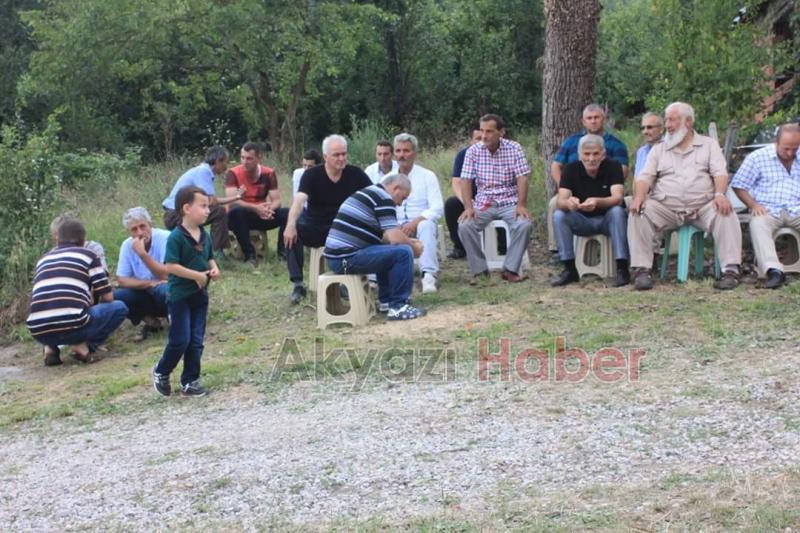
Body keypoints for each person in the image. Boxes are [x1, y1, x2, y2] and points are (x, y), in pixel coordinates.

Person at [628, 101, 742, 290]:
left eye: (672, 120)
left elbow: (720, 173)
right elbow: (644, 177)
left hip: (702, 207)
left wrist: (720, 194)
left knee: (726, 212)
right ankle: (642, 270)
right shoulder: (659, 149)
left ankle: (730, 271)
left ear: (688, 122)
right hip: (667, 208)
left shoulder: (708, 145)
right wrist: (639, 196)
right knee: (638, 211)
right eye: (666, 121)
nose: (668, 126)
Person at [283, 134, 372, 304]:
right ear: (325, 157)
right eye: (336, 155)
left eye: (344, 154)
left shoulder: (356, 174)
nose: (341, 158)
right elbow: (300, 200)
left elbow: (373, 196)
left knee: (363, 235)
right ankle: (298, 284)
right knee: (292, 233)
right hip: (317, 228)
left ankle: (346, 281)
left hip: (344, 231)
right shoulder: (311, 175)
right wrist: (290, 224)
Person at [27, 217, 128, 366]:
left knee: (54, 314)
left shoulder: (43, 260)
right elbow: (107, 297)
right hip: (74, 326)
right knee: (119, 308)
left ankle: (50, 349)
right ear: (83, 240)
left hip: (37, 331)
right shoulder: (88, 255)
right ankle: (83, 346)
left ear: (57, 240)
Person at [324, 173, 426, 320]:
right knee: (403, 253)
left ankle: (386, 300)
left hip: (338, 259)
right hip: (346, 259)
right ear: (396, 188)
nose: (400, 204)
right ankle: (398, 306)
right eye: (402, 198)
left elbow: (387, 238)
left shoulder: (371, 193)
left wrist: (408, 241)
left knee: (390, 251)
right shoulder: (384, 197)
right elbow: (395, 238)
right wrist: (413, 247)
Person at [152, 186, 220, 397]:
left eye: (208, 206)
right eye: (203, 206)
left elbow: (208, 257)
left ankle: (190, 381)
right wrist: (196, 276)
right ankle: (161, 371)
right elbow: (170, 266)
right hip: (180, 298)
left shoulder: (204, 235)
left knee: (196, 340)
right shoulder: (176, 237)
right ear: (187, 208)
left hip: (200, 296)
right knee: (180, 339)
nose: (208, 210)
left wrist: (214, 268)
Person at [458, 113, 532, 284]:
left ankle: (510, 269)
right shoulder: (473, 151)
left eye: (489, 131)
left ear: (501, 132)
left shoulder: (514, 148)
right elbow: (465, 179)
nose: (484, 136)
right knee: (465, 225)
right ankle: (480, 271)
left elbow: (522, 177)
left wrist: (521, 204)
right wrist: (469, 207)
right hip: (484, 202)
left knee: (524, 224)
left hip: (509, 200)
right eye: (482, 131)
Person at [548, 104, 629, 260]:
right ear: (583, 121)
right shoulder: (571, 141)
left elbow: (623, 171)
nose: (593, 121)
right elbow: (556, 166)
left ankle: (622, 262)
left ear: (603, 119)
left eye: (596, 118)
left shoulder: (615, 144)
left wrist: (607, 187)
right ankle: (557, 250)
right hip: (575, 192)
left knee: (619, 210)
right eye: (589, 118)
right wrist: (566, 189)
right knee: (556, 204)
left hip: (606, 192)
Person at [551, 134, 629, 287]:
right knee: (559, 215)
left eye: (596, 153)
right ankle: (569, 268)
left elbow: (618, 198)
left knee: (618, 211)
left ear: (603, 154)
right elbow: (560, 201)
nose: (591, 158)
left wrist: (598, 202)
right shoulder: (570, 169)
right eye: (587, 154)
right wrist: (569, 203)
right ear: (579, 155)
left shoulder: (613, 166)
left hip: (608, 220)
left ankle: (622, 268)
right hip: (582, 220)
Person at [731, 123, 800, 289]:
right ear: (776, 143)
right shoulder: (757, 157)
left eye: (795, 148)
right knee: (758, 223)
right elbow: (739, 184)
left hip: (797, 208)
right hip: (768, 208)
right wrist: (752, 204)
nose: (790, 153)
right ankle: (774, 271)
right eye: (786, 149)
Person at [162, 146, 243, 255]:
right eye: (225, 162)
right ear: (218, 161)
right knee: (219, 211)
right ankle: (217, 252)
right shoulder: (203, 172)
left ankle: (211, 250)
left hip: (176, 213)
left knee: (210, 211)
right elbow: (211, 201)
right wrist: (236, 197)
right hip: (175, 216)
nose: (226, 166)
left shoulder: (201, 171)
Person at [225, 142, 293, 266]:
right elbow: (232, 200)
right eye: (242, 157)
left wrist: (267, 210)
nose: (245, 161)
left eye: (249, 158)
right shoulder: (233, 173)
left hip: (260, 215)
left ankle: (283, 254)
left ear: (259, 158)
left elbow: (277, 200)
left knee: (288, 213)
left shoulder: (269, 173)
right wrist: (256, 209)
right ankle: (249, 255)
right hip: (238, 217)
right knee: (236, 211)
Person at [393, 133, 444, 293]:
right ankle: (376, 277)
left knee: (427, 225)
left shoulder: (427, 176)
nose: (402, 155)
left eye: (406, 151)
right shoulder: (388, 179)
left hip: (420, 222)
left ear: (414, 153)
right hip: (396, 224)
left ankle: (428, 275)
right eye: (399, 151)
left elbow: (437, 207)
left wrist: (414, 223)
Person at [113, 207, 169, 342]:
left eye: (142, 226)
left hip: (168, 290)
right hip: (146, 291)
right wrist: (149, 283)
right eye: (134, 229)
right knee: (118, 295)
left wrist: (143, 255)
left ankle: (176, 319)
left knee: (164, 289)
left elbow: (166, 276)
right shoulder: (127, 245)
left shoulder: (165, 238)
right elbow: (122, 280)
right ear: (129, 231)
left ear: (150, 224)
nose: (140, 232)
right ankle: (152, 323)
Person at [444, 123, 482, 259]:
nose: (481, 142)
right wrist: (467, 203)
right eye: (478, 138)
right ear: (471, 140)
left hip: (491, 197)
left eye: (484, 137)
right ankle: (460, 247)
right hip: (469, 196)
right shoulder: (463, 155)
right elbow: (456, 182)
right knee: (451, 204)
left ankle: (501, 246)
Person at [635, 112, 664, 177]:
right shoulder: (641, 152)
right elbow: (636, 178)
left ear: (661, 129)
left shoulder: (669, 150)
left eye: (649, 127)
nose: (645, 132)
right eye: (643, 128)